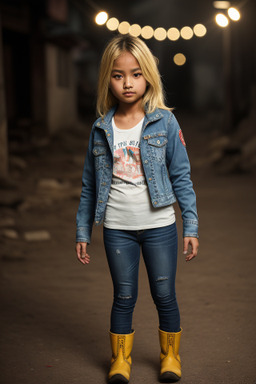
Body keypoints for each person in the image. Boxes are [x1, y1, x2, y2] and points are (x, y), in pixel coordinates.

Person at [75, 34, 199, 384]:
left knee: (164, 294)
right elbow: (88, 186)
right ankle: (121, 361)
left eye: (136, 74)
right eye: (118, 75)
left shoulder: (164, 122)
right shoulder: (101, 128)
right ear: (107, 79)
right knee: (124, 295)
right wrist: (83, 230)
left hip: (160, 225)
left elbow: (182, 176)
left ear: (148, 76)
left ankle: (170, 356)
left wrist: (190, 225)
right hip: (117, 227)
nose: (127, 82)